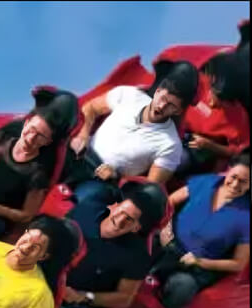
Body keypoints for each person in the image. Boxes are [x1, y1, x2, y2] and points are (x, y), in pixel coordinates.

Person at [43, 180, 167, 308]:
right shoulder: (87, 209)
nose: (120, 220)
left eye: (129, 219)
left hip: (75, 303)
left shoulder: (137, 256)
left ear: (137, 227)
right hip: (45, 277)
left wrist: (84, 297)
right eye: (122, 212)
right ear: (115, 206)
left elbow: (125, 298)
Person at [0, 89, 79, 248]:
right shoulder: (4, 136)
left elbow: (27, 215)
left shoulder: (38, 172)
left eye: (40, 136)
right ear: (27, 122)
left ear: (49, 142)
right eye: (31, 130)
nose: (30, 139)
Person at [67, 60, 200, 203]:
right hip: (81, 154)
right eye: (162, 99)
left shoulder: (170, 144)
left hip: (104, 181)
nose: (161, 106)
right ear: (158, 91)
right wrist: (83, 134)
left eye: (170, 105)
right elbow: (91, 108)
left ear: (178, 110)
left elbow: (149, 190)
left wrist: (118, 178)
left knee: (84, 200)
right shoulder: (129, 95)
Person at [151, 152, 250, 308]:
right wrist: (165, 228)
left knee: (182, 288)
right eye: (234, 177)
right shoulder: (205, 181)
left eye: (243, 182)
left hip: (197, 266)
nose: (235, 184)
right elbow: (170, 201)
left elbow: (238, 264)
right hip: (169, 243)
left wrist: (199, 262)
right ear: (228, 170)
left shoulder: (247, 217)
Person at [180, 29, 250, 174]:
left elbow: (236, 151)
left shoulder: (239, 119)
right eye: (213, 94)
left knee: (180, 160)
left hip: (197, 151)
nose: (211, 103)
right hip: (172, 131)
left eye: (220, 102)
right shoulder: (199, 81)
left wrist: (209, 145)